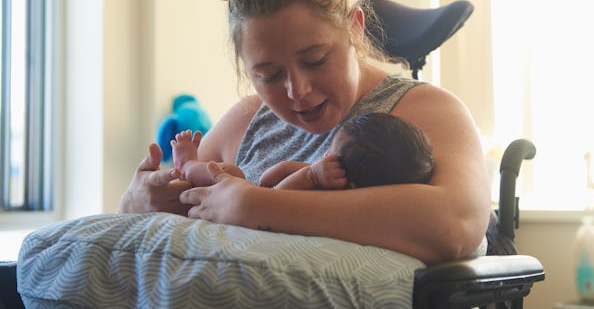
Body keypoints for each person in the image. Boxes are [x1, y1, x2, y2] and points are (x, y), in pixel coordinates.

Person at [118, 0, 491, 265]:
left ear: (355, 30)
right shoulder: (245, 123)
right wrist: (135, 203)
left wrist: (256, 205)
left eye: (315, 59)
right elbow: (162, 210)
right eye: (270, 75)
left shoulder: (424, 110)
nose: (298, 90)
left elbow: (455, 226)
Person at [171, 112, 435, 191]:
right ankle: (189, 166)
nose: (323, 157)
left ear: (351, 182)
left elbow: (274, 198)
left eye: (331, 154)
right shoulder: (334, 181)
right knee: (232, 173)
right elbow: (272, 176)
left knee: (227, 174)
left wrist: (311, 178)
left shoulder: (335, 197)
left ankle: (188, 165)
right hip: (254, 192)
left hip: (245, 205)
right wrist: (305, 171)